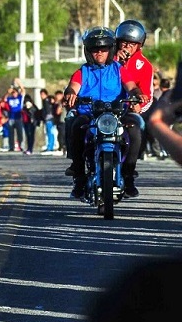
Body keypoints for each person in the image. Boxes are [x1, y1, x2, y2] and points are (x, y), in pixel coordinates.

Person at [62, 27, 144, 199]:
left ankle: (129, 175)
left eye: (103, 49)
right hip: (89, 114)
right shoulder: (82, 71)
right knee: (76, 125)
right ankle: (79, 176)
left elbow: (131, 87)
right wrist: (70, 94)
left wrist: (137, 95)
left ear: (111, 50)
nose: (99, 53)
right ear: (88, 52)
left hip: (117, 113)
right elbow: (73, 87)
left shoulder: (119, 69)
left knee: (135, 127)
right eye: (94, 49)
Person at [114, 19, 152, 195]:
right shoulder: (105, 59)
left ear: (139, 45)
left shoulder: (145, 66)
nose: (127, 46)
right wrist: (115, 62)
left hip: (127, 110)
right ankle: (81, 173)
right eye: (124, 42)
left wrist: (139, 106)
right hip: (104, 109)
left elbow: (147, 95)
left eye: (132, 43)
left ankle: (128, 175)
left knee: (137, 130)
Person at [4, 79, 25, 151]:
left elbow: (23, 91)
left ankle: (21, 146)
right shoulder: (10, 98)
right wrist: (8, 92)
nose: (14, 94)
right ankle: (11, 146)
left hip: (18, 117)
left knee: (20, 133)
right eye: (13, 93)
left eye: (15, 92)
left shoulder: (20, 98)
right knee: (11, 133)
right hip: (11, 117)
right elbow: (4, 99)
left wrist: (19, 83)